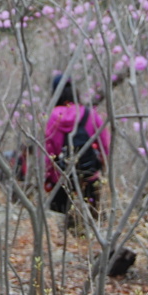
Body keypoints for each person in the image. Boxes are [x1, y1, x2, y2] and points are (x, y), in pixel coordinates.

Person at [44, 74, 111, 220]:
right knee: (93, 217)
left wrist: (49, 176)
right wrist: (104, 164)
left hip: (61, 177)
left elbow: (48, 151)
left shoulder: (51, 117)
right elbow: (105, 144)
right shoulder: (90, 114)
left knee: (58, 219)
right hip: (90, 174)